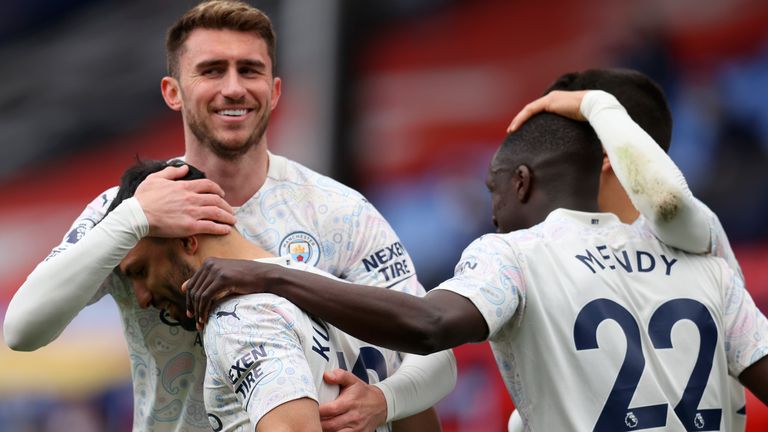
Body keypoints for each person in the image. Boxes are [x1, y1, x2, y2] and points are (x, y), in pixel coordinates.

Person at [184, 93, 768, 430]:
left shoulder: (514, 255)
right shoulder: (706, 265)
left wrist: (272, 274)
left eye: (492, 194)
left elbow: (429, 326)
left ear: (520, 182)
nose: (490, 214)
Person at [3, 1, 454, 431]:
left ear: (275, 91)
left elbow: (430, 345)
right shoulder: (125, 209)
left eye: (250, 70)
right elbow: (23, 329)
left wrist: (386, 400)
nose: (234, 88)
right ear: (173, 93)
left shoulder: (339, 211)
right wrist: (135, 218)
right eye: (212, 70)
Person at [110, 159, 449, 431]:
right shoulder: (336, 294)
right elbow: (422, 418)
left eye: (141, 272)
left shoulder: (241, 321)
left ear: (187, 239)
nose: (141, 297)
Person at [505, 68, 751, 431]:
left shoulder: (691, 230)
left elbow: (669, 204)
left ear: (604, 153)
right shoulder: (560, 251)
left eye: (552, 147)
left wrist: (594, 104)